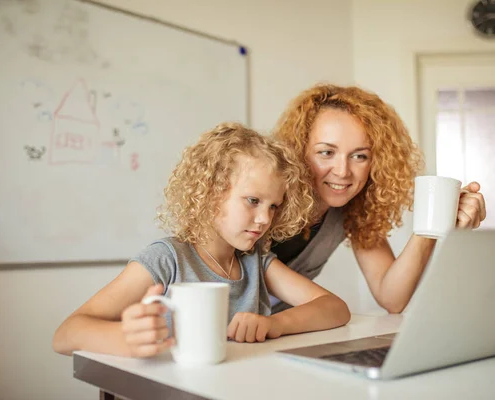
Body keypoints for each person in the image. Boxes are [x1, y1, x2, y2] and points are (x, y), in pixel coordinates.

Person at [52, 122, 351, 358]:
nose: (264, 218)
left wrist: (274, 324)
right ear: (210, 192)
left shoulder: (256, 262)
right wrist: (124, 339)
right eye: (252, 201)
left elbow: (335, 308)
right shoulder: (168, 259)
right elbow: (65, 335)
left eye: (273, 206)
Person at [271, 84, 487, 314]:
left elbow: (392, 298)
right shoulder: (264, 197)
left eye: (359, 156)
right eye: (326, 152)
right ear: (298, 151)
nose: (343, 171)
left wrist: (431, 224)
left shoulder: (350, 210)